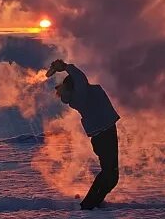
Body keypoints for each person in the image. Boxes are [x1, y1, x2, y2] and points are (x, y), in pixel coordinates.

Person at [46, 59, 120, 210]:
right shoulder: (80, 95)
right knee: (110, 174)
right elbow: (80, 78)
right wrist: (66, 67)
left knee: (111, 175)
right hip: (104, 135)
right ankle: (89, 205)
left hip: (105, 133)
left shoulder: (82, 94)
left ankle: (94, 203)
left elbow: (80, 80)